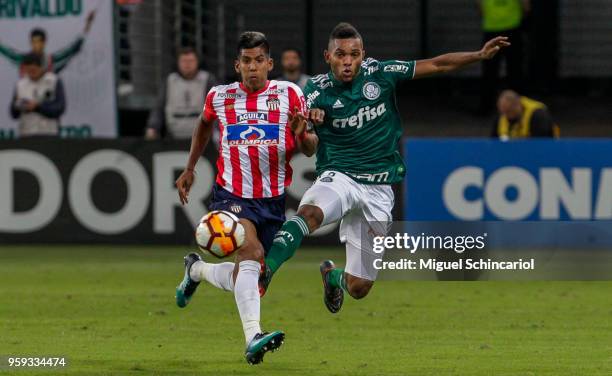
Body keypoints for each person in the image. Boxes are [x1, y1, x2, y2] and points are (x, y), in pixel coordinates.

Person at [259, 22, 509, 313]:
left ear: (363, 55)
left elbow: (438, 64)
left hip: (378, 189)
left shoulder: (382, 73)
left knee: (359, 287)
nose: (348, 61)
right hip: (340, 176)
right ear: (328, 58)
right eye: (340, 55)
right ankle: (267, 269)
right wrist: (303, 131)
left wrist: (479, 55)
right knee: (310, 213)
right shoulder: (315, 91)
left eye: (354, 54)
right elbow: (309, 148)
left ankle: (332, 276)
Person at [173, 31, 317, 364]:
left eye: (259, 61)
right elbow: (203, 125)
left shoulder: (290, 94)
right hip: (232, 196)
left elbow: (311, 146)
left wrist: (303, 135)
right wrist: (191, 167)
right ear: (237, 65)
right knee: (250, 253)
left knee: (248, 272)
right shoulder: (220, 96)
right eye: (246, 62)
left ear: (270, 64)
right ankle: (253, 336)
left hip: (272, 200)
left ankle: (197, 272)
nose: (253, 68)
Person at [145, 47, 217, 140]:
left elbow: (217, 107)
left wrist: (217, 131)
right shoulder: (170, 80)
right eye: (183, 61)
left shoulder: (208, 80)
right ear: (178, 63)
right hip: (173, 135)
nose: (187, 64)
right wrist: (152, 127)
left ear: (197, 62)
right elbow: (159, 107)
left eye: (191, 61)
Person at [0, 11, 95, 75]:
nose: (35, 45)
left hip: (47, 104)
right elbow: (7, 52)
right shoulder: (22, 60)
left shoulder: (52, 61)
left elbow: (73, 49)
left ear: (44, 42)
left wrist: (88, 25)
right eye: (33, 42)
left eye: (38, 41)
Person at [479, 0, 529, 113]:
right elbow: (526, 7)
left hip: (492, 27)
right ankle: (518, 107)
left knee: (489, 69)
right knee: (515, 69)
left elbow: (480, 6)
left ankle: (486, 107)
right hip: (512, 27)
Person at [10, 53, 66, 137]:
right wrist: (19, 106)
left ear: (42, 67)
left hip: (49, 134)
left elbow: (59, 108)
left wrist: (37, 107)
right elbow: (13, 114)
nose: (32, 73)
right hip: (26, 133)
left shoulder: (53, 81)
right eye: (29, 70)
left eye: (34, 70)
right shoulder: (20, 84)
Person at [491, 90, 559, 140]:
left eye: (508, 111)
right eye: (503, 112)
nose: (506, 116)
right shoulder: (503, 115)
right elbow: (493, 141)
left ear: (517, 106)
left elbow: (541, 141)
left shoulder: (538, 115)